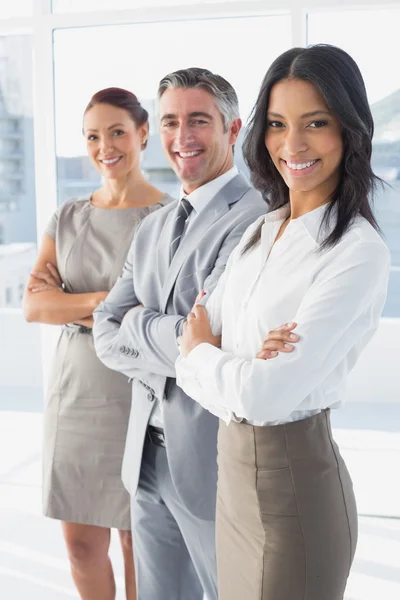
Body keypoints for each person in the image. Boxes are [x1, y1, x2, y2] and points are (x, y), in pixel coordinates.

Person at [175, 45, 391, 600]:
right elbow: (188, 347)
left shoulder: (356, 251)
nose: (291, 145)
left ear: (350, 129)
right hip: (233, 482)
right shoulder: (259, 231)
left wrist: (212, 355)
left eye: (315, 123)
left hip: (295, 490)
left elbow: (266, 398)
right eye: (277, 124)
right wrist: (236, 366)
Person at [92, 68, 267, 600]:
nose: (182, 136)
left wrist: (138, 322)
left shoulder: (255, 217)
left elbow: (218, 338)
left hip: (210, 462)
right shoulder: (155, 225)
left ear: (233, 131)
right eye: (170, 121)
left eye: (199, 121)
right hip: (144, 454)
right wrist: (172, 336)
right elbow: (104, 331)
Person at [23, 87, 171, 600]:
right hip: (75, 397)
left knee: (138, 544)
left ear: (143, 134)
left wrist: (76, 302)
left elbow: (155, 319)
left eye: (117, 132)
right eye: (92, 136)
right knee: (81, 547)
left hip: (138, 398)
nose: (104, 146)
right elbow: (35, 306)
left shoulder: (169, 219)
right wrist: (112, 303)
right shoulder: (67, 217)